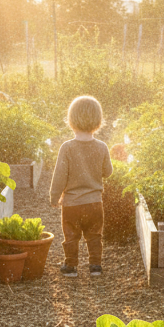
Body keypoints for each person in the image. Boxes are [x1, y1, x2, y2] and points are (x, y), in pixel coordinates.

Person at [49, 95, 113, 278]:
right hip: (94, 203)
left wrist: (54, 197)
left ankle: (71, 266)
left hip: (71, 204)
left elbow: (59, 176)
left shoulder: (67, 148)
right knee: (94, 235)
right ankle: (95, 266)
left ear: (71, 120)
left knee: (71, 236)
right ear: (98, 120)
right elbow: (107, 172)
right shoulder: (102, 147)